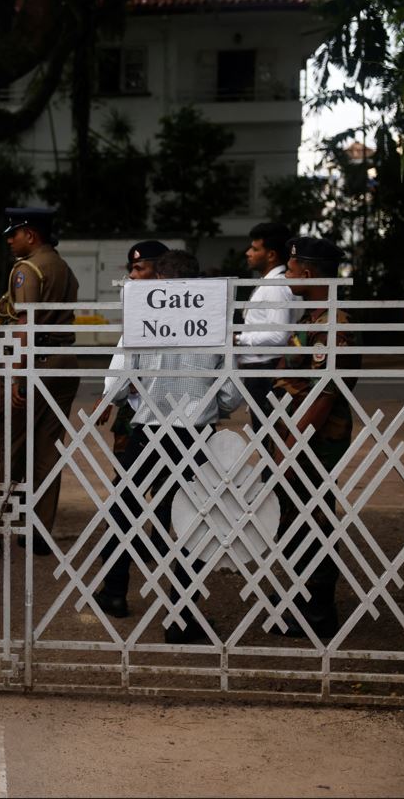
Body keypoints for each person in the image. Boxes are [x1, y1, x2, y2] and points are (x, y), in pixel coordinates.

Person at [93, 250, 242, 643]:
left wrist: (139, 395)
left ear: (160, 280)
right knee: (193, 521)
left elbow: (118, 386)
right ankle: (182, 615)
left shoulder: (143, 322)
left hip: (147, 432)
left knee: (125, 507)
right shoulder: (215, 325)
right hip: (195, 435)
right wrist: (206, 402)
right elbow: (230, 394)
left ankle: (114, 592)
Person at [0, 207, 80, 556]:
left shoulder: (27, 269)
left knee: (9, 447)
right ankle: (36, 533)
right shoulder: (62, 267)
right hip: (63, 362)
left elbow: (25, 323)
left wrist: (18, 374)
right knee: (48, 450)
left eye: (13, 233)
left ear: (30, 235)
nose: (8, 239)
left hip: (31, 363)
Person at [269, 237, 356, 639]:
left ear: (307, 271)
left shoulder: (332, 322)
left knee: (314, 519)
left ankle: (319, 611)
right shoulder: (313, 318)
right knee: (294, 518)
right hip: (299, 434)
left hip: (317, 439)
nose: (286, 274)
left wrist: (294, 442)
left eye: (289, 267)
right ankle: (304, 602)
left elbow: (326, 391)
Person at [93, 241, 168, 452]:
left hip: (167, 398)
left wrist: (111, 393)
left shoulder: (185, 305)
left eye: (139, 268)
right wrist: (110, 393)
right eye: (131, 269)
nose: (132, 276)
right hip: (135, 393)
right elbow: (127, 343)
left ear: (160, 271)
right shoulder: (135, 298)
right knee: (123, 446)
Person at [236, 222, 297, 431]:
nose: (248, 253)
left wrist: (239, 339)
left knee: (269, 438)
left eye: (255, 249)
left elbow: (279, 336)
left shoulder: (275, 287)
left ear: (271, 255)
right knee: (266, 437)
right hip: (261, 371)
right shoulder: (269, 283)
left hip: (266, 371)